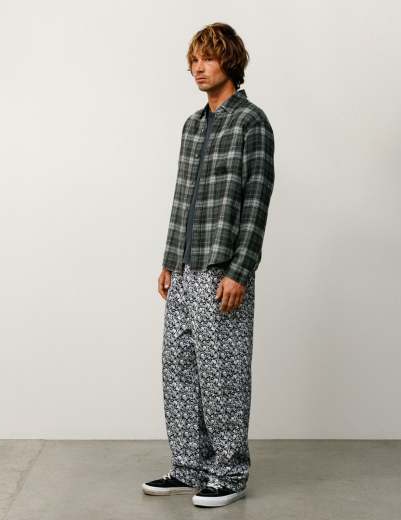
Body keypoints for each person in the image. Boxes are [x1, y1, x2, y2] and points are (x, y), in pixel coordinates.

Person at [142, 22, 275, 508]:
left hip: (222, 271)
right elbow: (182, 197)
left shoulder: (251, 122)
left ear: (229, 62)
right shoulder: (192, 125)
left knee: (223, 376)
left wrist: (241, 269)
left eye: (208, 58)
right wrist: (169, 259)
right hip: (184, 268)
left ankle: (229, 473)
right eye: (193, 60)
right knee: (178, 368)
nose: (198, 68)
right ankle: (189, 466)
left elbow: (256, 200)